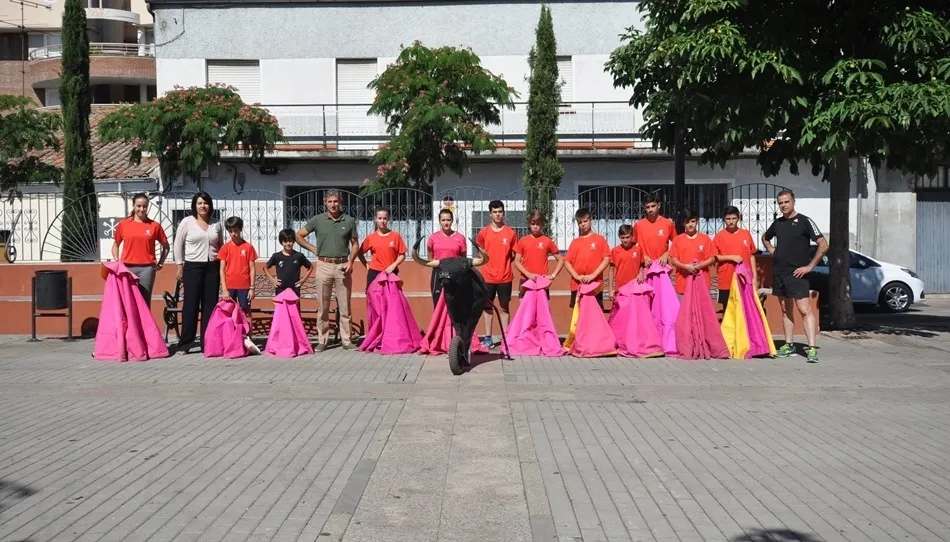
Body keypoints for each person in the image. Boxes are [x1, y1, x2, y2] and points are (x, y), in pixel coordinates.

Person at [762, 189, 828, 363]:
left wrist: (809, 266)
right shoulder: (778, 223)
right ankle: (789, 344)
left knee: (805, 310)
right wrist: (771, 250)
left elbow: (823, 245)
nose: (783, 205)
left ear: (793, 202)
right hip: (779, 273)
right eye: (780, 203)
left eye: (786, 202)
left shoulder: (804, 221)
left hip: (797, 274)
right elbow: (765, 238)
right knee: (785, 310)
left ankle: (812, 348)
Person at [296, 190, 359, 352]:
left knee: (345, 305)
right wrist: (313, 248)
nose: (333, 204)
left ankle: (346, 340)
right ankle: (323, 339)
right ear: (325, 202)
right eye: (330, 201)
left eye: (336, 201)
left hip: (342, 266)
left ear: (340, 202)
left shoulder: (349, 220)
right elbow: (299, 235)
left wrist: (351, 262)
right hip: (324, 265)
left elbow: (355, 244)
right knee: (322, 306)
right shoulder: (318, 220)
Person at [174, 192, 225, 355]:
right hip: (192, 267)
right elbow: (177, 244)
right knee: (191, 305)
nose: (203, 206)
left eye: (206, 203)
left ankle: (207, 342)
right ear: (194, 206)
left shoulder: (217, 223)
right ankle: (185, 343)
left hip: (212, 268)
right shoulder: (187, 222)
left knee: (210, 306)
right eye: (199, 203)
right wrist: (179, 265)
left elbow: (222, 246)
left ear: (210, 205)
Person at [111, 192, 169, 308]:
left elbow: (166, 247)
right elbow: (116, 245)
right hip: (127, 268)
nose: (141, 209)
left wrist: (161, 263)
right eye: (138, 206)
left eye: (144, 206)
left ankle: (144, 326)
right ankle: (129, 326)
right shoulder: (124, 224)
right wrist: (117, 261)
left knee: (144, 302)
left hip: (147, 269)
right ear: (133, 206)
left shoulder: (154, 226)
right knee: (127, 301)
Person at [475, 200, 517, 349]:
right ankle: (488, 338)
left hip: (505, 277)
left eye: (500, 211)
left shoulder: (511, 233)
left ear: (503, 213)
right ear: (490, 214)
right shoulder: (483, 233)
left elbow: (513, 255)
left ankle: (506, 338)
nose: (498, 214)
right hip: (487, 278)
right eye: (495, 212)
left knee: (504, 308)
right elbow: (480, 253)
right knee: (487, 307)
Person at [713, 206, 758, 314]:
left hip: (744, 279)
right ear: (724, 219)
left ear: (738, 218)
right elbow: (714, 257)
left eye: (733, 218)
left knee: (745, 310)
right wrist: (731, 257)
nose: (731, 221)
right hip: (726, 279)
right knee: (728, 311)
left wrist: (755, 278)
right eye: (728, 219)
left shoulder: (745, 234)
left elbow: (751, 255)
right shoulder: (720, 236)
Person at [564, 208, 611, 310]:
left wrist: (593, 275)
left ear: (591, 220)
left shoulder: (599, 239)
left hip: (595, 284)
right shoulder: (575, 242)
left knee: (595, 315)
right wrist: (576, 276)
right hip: (577, 285)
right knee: (578, 316)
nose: (583, 224)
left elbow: (606, 258)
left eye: (585, 221)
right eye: (580, 222)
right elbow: (566, 261)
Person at [512, 209, 564, 298]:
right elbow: (516, 261)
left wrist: (553, 275)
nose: (535, 226)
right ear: (529, 224)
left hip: (542, 281)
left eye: (538, 224)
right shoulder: (522, 241)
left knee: (541, 310)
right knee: (525, 310)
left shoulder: (547, 241)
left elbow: (561, 260)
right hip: (525, 280)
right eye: (533, 224)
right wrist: (528, 274)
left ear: (542, 225)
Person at [669, 209, 718, 296]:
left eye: (693, 221)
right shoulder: (677, 240)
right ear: (683, 223)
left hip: (702, 282)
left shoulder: (705, 239)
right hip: (683, 282)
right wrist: (686, 267)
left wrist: (699, 266)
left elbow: (712, 258)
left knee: (701, 309)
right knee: (684, 309)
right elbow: (674, 260)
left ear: (697, 221)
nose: (690, 225)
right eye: (687, 222)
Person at [425, 208, 467, 305]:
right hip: (438, 272)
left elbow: (463, 258)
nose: (446, 223)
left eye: (448, 220)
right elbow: (430, 258)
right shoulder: (433, 237)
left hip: (455, 273)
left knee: (455, 304)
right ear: (439, 221)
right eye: (443, 220)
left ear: (452, 220)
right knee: (438, 302)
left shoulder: (460, 238)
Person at [358, 208, 408, 289]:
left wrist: (393, 265)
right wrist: (367, 265)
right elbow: (359, 253)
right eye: (379, 218)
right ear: (375, 219)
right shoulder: (370, 237)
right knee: (374, 298)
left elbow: (402, 255)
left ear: (388, 219)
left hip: (391, 272)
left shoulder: (395, 236)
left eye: (385, 218)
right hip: (375, 273)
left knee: (392, 298)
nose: (382, 221)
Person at [218, 216, 259, 314]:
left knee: (246, 312)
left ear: (240, 229)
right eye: (230, 231)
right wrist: (224, 289)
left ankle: (247, 330)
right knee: (228, 312)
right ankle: (232, 330)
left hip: (244, 287)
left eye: (235, 231)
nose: (233, 234)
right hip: (229, 287)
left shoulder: (248, 247)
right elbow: (222, 270)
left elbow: (252, 269)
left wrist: (252, 288)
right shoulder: (225, 248)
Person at [266, 229, 314, 297]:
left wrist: (303, 280)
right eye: (285, 241)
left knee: (294, 308)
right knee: (281, 307)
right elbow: (265, 267)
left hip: (295, 290)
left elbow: (311, 267)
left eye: (290, 241)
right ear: (281, 242)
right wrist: (272, 280)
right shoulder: (276, 256)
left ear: (294, 241)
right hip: (280, 290)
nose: (288, 244)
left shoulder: (299, 256)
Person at [633, 196, 676, 267]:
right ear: (644, 208)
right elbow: (631, 246)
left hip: (662, 265)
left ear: (658, 205)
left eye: (653, 206)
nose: (650, 210)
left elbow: (676, 243)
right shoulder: (638, 225)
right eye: (647, 207)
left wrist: (667, 254)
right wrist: (641, 256)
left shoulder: (668, 223)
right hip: (645, 266)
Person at [610, 224, 644, 294]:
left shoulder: (638, 250)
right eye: (623, 238)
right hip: (620, 286)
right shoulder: (615, 251)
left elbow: (641, 265)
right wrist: (610, 289)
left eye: (627, 237)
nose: (625, 240)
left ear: (632, 236)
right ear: (619, 237)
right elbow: (611, 270)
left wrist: (641, 273)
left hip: (635, 285)